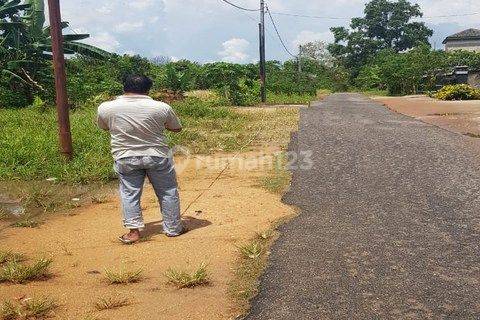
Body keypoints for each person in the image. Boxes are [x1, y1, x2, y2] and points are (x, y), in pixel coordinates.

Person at [97, 75, 185, 244]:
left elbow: (104, 126)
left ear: (124, 87)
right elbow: (177, 128)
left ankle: (133, 232)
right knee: (168, 191)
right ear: (148, 89)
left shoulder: (106, 107)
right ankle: (173, 228)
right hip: (157, 156)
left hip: (125, 156)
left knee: (129, 193)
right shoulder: (161, 107)